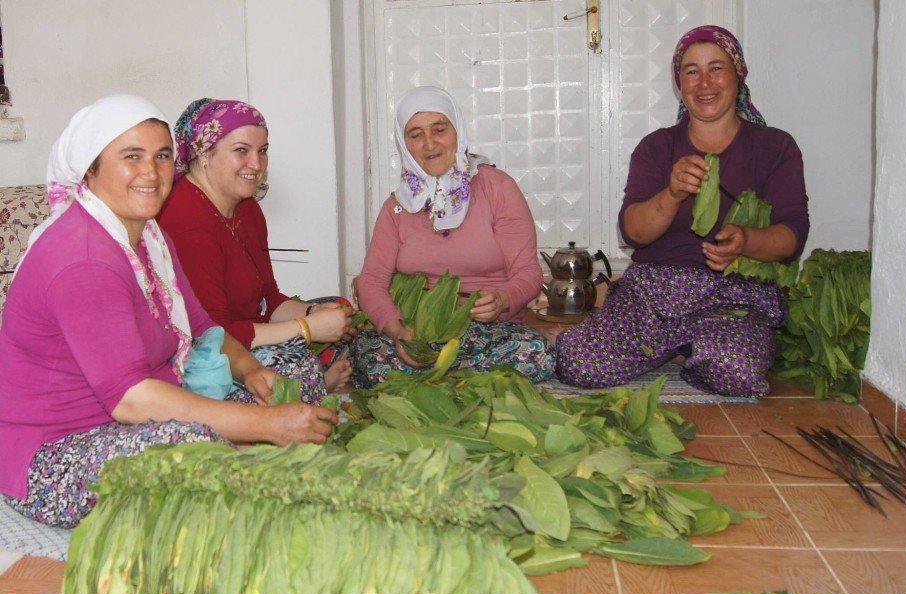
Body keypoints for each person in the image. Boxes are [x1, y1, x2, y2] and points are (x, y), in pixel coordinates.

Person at [0, 95, 336, 528]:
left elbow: (201, 328)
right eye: (131, 157)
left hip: (137, 419)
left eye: (161, 156)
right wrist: (265, 424)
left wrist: (255, 373)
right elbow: (130, 399)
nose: (151, 172)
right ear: (91, 169)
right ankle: (245, 458)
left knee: (293, 375)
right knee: (190, 443)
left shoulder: (149, 236)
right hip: (55, 457)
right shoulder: (82, 257)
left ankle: (244, 456)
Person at [555, 25, 809, 397]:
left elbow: (792, 236)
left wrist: (746, 241)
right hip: (653, 293)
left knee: (737, 373)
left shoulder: (775, 147)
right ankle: (679, 348)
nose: (704, 82)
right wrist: (671, 194)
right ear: (680, 83)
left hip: (732, 296)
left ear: (738, 74)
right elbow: (632, 233)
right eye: (692, 71)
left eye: (716, 68)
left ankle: (688, 349)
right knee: (579, 361)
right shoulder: (656, 148)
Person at [352, 85, 554, 388]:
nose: (430, 144)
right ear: (404, 144)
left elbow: (528, 272)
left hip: (485, 330)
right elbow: (371, 281)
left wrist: (502, 300)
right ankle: (464, 381)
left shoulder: (496, 188)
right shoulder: (396, 207)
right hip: (417, 329)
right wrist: (398, 332)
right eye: (415, 134)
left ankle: (437, 380)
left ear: (457, 131)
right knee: (371, 360)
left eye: (439, 129)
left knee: (535, 354)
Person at [158, 98, 355, 400]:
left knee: (341, 310)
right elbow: (213, 334)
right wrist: (307, 327)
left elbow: (268, 298)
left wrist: (314, 313)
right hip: (207, 351)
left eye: (262, 151)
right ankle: (313, 385)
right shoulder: (186, 218)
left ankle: (313, 384)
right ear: (203, 153)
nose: (256, 164)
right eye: (241, 151)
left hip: (249, 331)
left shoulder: (247, 208)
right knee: (292, 369)